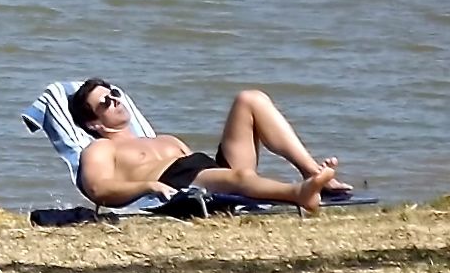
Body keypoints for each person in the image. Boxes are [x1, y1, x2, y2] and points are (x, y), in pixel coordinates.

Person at [70, 79, 351, 213]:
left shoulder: (162, 139)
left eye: (114, 94)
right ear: (94, 123)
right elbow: (99, 190)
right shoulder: (100, 149)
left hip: (207, 172)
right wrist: (148, 186)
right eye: (105, 102)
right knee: (238, 177)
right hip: (176, 180)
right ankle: (298, 194)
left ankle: (312, 173)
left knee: (250, 99)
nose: (115, 100)